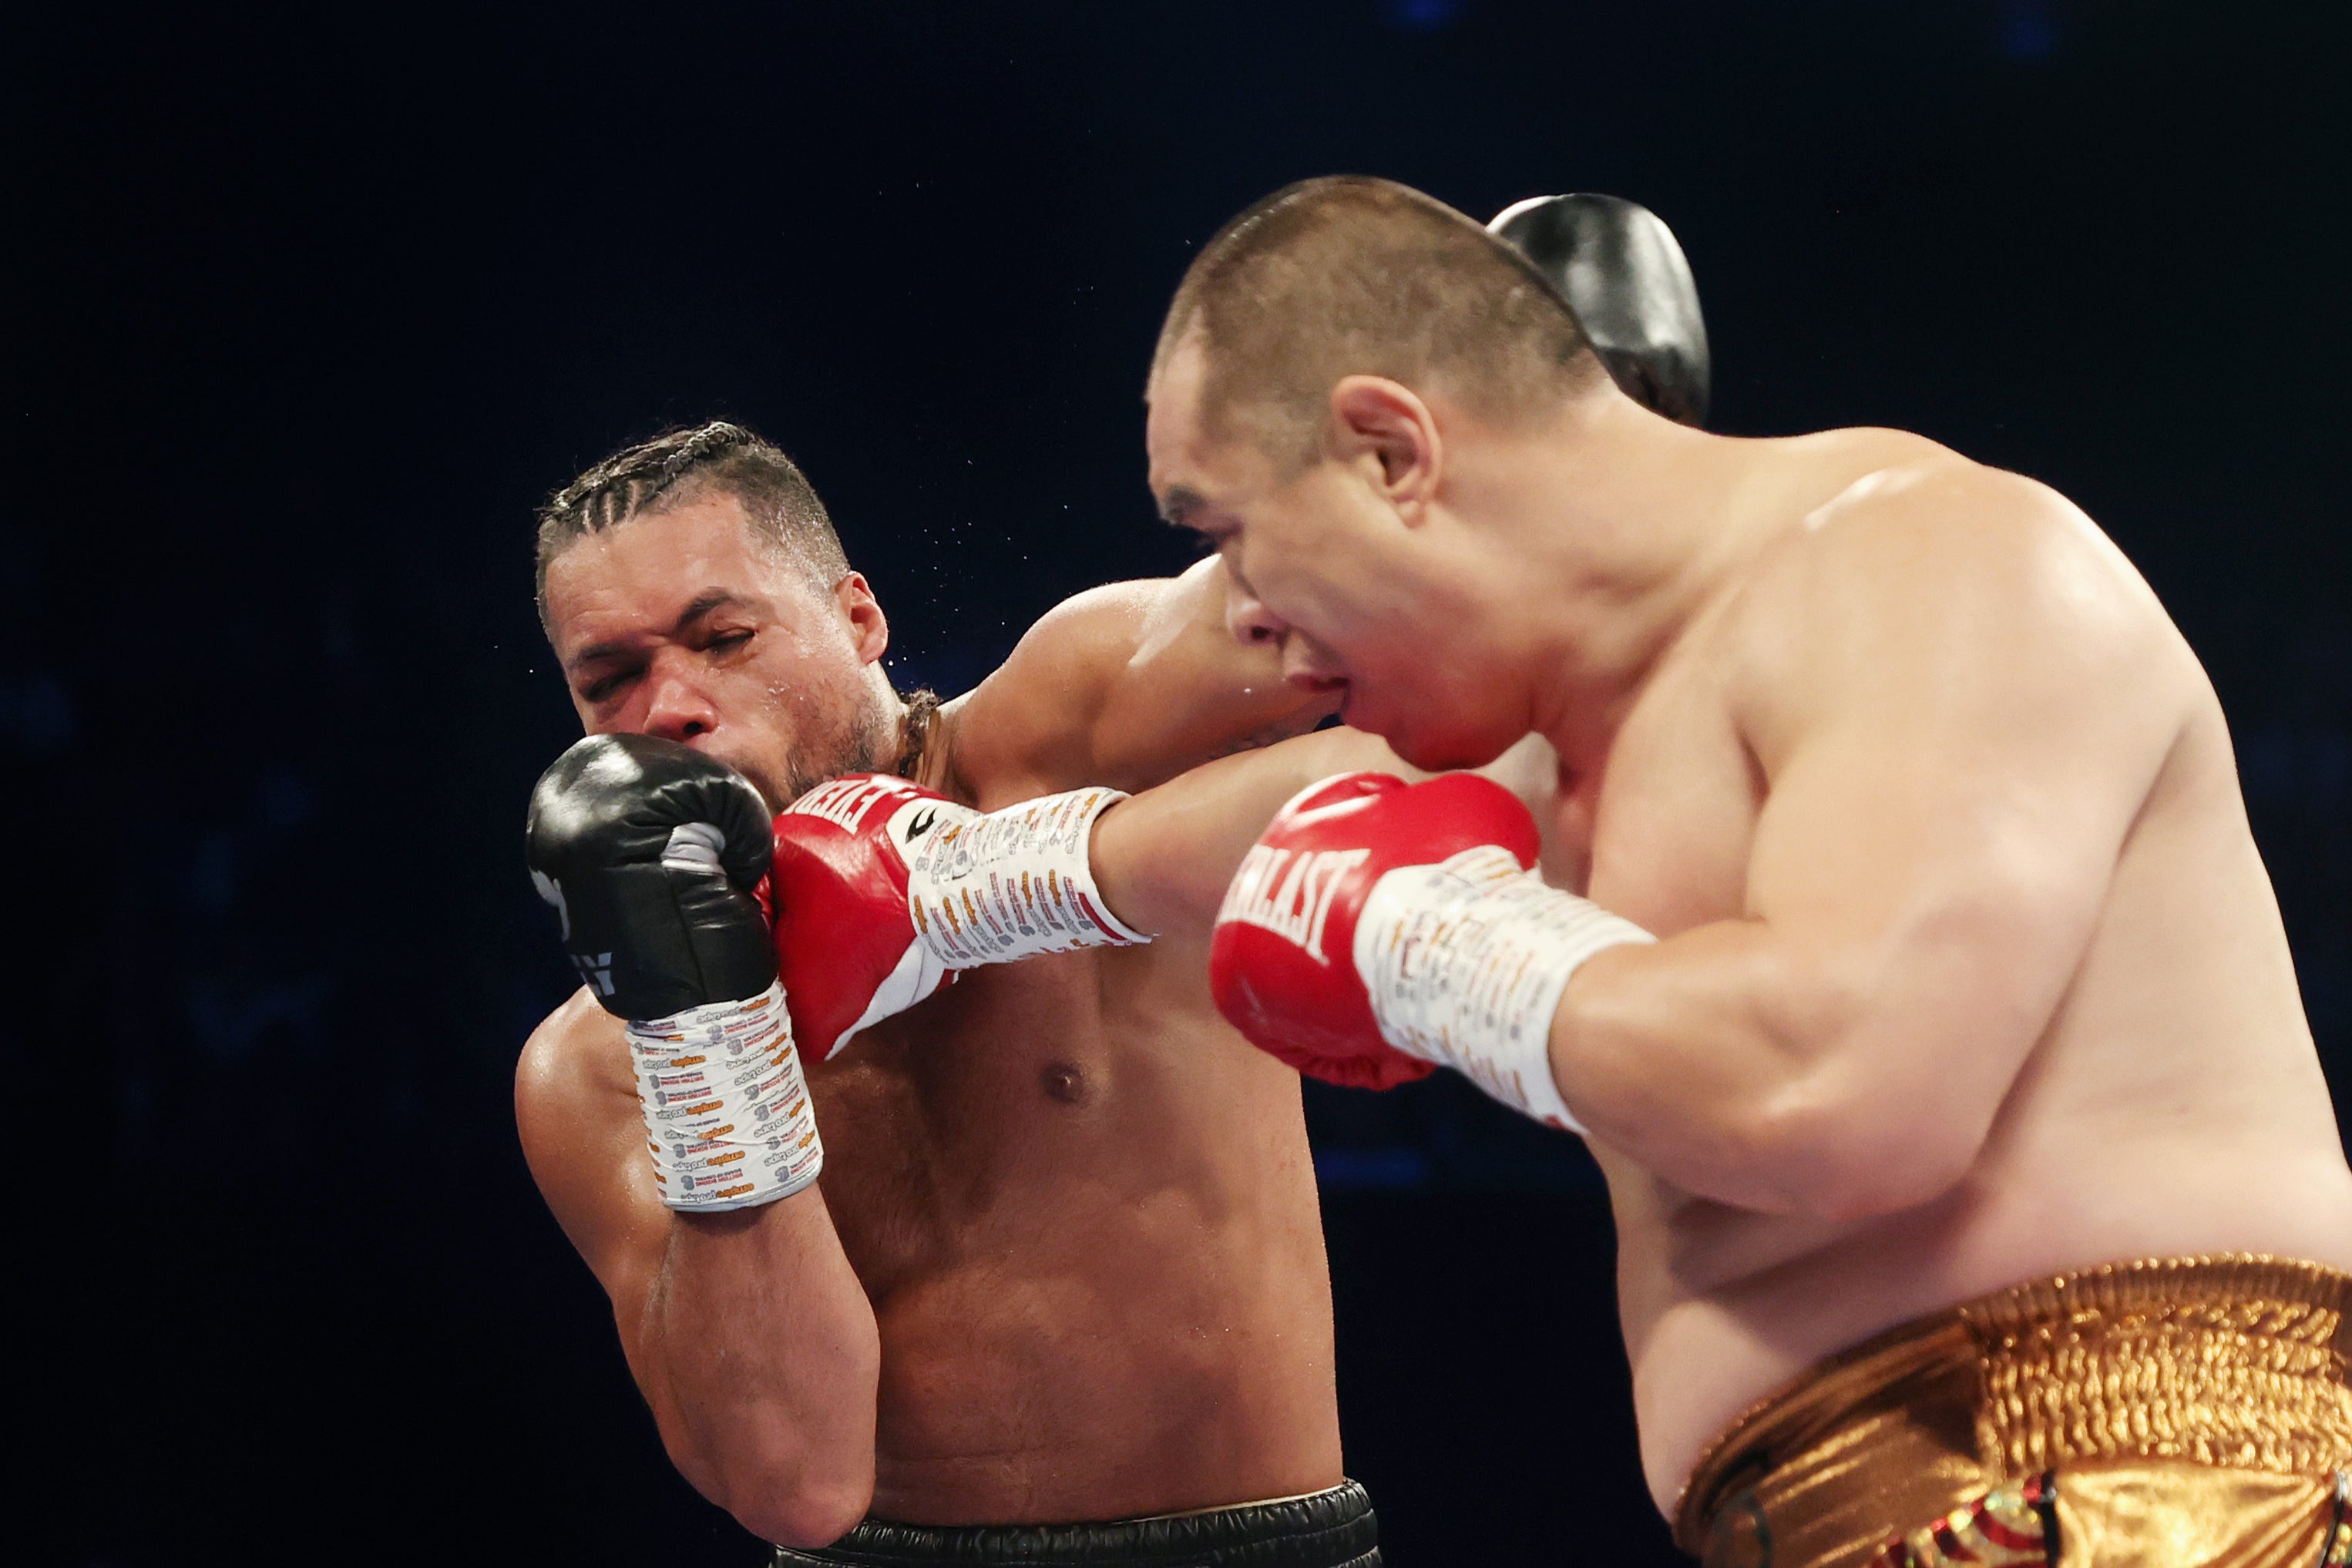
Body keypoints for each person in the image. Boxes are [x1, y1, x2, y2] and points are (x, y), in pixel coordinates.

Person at [1114, 175, 2352, 1567]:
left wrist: (1423, 940)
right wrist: (977, 879)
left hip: (2133, 1487)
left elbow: (1845, 1092)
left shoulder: (1929, 562)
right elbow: (1209, 838)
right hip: (1822, 1511)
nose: (1242, 616)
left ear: (1392, 453)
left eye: (1226, 534)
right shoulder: (1555, 750)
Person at [512, 195, 1708, 1567]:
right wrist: (705, 1028)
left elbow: (1411, 661)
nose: (670, 706)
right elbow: (796, 1482)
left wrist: (1531, 445)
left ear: (858, 616)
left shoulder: (1073, 720)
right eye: (611, 679)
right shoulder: (596, 1068)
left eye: (722, 638)